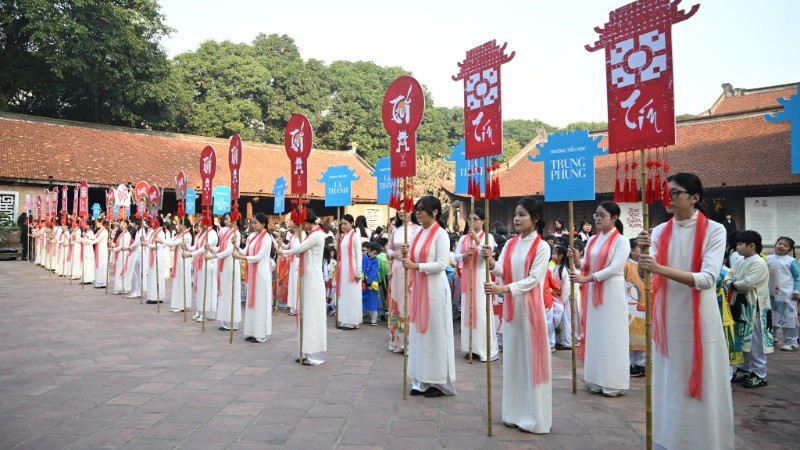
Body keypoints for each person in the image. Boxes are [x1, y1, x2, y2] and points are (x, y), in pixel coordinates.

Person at [637, 172, 734, 449]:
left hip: (699, 318)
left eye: (675, 192)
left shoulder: (714, 230)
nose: (669, 198)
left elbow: (707, 279)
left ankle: (703, 441)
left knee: (701, 380)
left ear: (695, 197)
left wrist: (659, 268)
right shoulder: (659, 231)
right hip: (667, 319)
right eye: (666, 193)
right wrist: (643, 258)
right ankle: (670, 439)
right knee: (670, 379)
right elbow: (646, 276)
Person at [483, 196, 551, 433]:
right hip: (513, 309)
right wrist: (491, 261)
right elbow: (502, 269)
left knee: (530, 360)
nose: (516, 219)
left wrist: (503, 289)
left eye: (522, 214)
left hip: (530, 311)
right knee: (513, 361)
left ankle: (534, 417)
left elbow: (533, 280)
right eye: (515, 214)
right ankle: (513, 413)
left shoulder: (542, 247)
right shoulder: (511, 243)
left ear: (536, 218)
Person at [569, 201, 629, 397]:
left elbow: (614, 268)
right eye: (596, 215)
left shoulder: (621, 241)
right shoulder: (593, 240)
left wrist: (586, 278)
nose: (597, 218)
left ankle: (613, 381)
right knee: (595, 334)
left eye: (602, 215)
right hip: (594, 290)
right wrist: (577, 260)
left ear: (614, 218)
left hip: (611, 291)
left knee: (611, 335)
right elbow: (587, 264)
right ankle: (596, 379)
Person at [402, 196, 456, 398]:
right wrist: (407, 255)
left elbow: (442, 264)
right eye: (416, 209)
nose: (417, 213)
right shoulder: (418, 233)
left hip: (435, 290)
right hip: (419, 290)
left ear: (434, 212)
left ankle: (438, 382)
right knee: (419, 335)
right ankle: (420, 379)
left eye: (422, 209)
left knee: (435, 334)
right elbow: (413, 259)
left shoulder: (441, 234)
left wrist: (415, 266)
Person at [725, 230, 772, 388]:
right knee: (742, 340)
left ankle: (759, 373)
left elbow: (747, 284)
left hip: (755, 310)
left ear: (752, 245)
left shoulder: (758, 263)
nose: (737, 247)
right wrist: (731, 282)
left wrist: (732, 284)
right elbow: (729, 274)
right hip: (742, 308)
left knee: (756, 343)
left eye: (740, 244)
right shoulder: (740, 260)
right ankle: (744, 368)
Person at [280, 209, 326, 365]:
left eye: (300, 224)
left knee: (312, 315)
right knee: (306, 314)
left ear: (306, 222)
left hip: (313, 279)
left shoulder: (317, 235)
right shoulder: (310, 235)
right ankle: (306, 351)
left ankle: (313, 354)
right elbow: (298, 251)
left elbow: (298, 249)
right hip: (307, 277)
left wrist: (295, 234)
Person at [454, 207, 499, 362]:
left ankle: (485, 348)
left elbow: (487, 253)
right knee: (468, 312)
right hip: (467, 277)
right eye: (469, 219)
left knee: (481, 311)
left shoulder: (488, 237)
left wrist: (477, 239)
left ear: (483, 221)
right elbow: (455, 257)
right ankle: (470, 347)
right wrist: (465, 255)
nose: (472, 222)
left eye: (475, 219)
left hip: (481, 277)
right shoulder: (463, 239)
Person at [234, 212, 273, 343]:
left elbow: (259, 257)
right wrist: (236, 246)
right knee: (252, 303)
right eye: (253, 222)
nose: (253, 225)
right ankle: (252, 331)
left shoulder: (267, 238)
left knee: (260, 303)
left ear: (263, 224)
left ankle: (261, 334)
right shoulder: (253, 237)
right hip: (252, 273)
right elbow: (246, 251)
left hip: (261, 274)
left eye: (255, 223)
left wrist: (241, 257)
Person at [386, 210, 420, 353]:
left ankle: (409, 342)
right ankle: (396, 340)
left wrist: (409, 252)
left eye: (404, 208)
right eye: (399, 209)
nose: (401, 211)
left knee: (408, 303)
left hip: (409, 269)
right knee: (397, 302)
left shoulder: (417, 229)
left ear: (411, 211)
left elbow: (420, 251)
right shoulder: (396, 229)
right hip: (396, 268)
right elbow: (388, 248)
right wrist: (394, 254)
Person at [767, 236, 800, 351]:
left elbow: (798, 277)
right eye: (780, 243)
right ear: (775, 244)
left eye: (786, 246)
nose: (782, 246)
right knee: (771, 317)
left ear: (789, 250)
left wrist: (797, 291)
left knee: (789, 318)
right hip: (770, 293)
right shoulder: (768, 259)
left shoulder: (791, 261)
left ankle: (792, 342)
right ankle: (771, 337)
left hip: (787, 295)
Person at [184, 220, 219, 322]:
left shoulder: (212, 234)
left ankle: (208, 313)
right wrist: (188, 248)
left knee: (207, 288)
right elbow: (196, 247)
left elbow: (204, 248)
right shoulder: (201, 234)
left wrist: (191, 254)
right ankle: (200, 310)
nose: (200, 226)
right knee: (200, 288)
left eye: (202, 224)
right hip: (200, 264)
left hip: (208, 263)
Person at [213, 213, 242, 331]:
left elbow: (230, 250)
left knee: (231, 292)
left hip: (231, 264)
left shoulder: (236, 234)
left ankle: (233, 322)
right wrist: (212, 249)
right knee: (224, 292)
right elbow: (221, 248)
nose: (225, 221)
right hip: (224, 264)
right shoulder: (225, 233)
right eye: (224, 219)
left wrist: (215, 256)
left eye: (227, 219)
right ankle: (225, 321)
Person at [159, 217, 193, 312]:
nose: (178, 226)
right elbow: (171, 240)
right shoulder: (180, 234)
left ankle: (183, 305)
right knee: (178, 281)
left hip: (183, 260)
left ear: (184, 225)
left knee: (182, 282)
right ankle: (178, 303)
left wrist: (161, 241)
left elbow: (174, 243)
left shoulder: (187, 236)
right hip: (178, 260)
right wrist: (162, 240)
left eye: (180, 224)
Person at [623, 238, 646, 377]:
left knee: (642, 335)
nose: (642, 250)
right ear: (632, 250)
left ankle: (640, 362)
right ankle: (630, 363)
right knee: (631, 336)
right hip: (630, 307)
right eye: (639, 247)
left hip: (644, 304)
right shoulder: (626, 265)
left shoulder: (647, 264)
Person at [337, 214, 363, 329]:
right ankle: (344, 320)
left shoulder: (355, 236)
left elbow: (359, 255)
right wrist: (337, 241)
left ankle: (352, 321)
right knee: (344, 295)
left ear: (352, 224)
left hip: (352, 270)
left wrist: (358, 271)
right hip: (343, 270)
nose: (343, 226)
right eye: (341, 224)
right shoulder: (343, 236)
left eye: (345, 223)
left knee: (352, 296)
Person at [550, 245, 573, 350]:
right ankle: (559, 340)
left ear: (560, 256)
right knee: (558, 320)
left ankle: (567, 342)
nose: (552, 256)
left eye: (554, 254)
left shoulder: (564, 269)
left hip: (563, 299)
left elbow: (567, 285)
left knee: (565, 320)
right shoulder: (556, 267)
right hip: (556, 298)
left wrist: (563, 299)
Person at [145, 217, 166, 305]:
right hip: (152, 256)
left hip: (157, 256)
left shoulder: (161, 233)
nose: (152, 223)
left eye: (154, 222)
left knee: (156, 276)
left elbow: (157, 246)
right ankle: (152, 296)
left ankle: (157, 297)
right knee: (152, 275)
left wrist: (147, 244)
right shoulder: (154, 232)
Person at [127, 219, 148, 299]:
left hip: (138, 252)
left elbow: (137, 242)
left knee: (135, 273)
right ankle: (138, 291)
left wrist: (129, 247)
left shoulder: (141, 230)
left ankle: (135, 292)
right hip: (139, 251)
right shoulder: (141, 230)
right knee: (138, 273)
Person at [362, 242, 380, 326]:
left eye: (376, 254)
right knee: (362, 300)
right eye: (374, 253)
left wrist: (368, 283)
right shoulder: (363, 257)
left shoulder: (376, 261)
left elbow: (373, 273)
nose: (375, 255)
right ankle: (362, 315)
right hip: (362, 283)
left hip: (372, 284)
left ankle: (374, 319)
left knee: (372, 301)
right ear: (369, 250)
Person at [112, 219, 132, 294]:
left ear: (127, 225)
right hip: (119, 253)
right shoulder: (122, 234)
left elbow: (123, 246)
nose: (122, 225)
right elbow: (118, 244)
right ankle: (118, 287)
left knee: (121, 270)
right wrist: (113, 244)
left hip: (124, 253)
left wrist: (114, 249)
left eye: (123, 224)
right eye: (121, 224)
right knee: (118, 270)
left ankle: (122, 287)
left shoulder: (127, 234)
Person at [89, 219, 110, 288]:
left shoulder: (105, 231)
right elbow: (94, 237)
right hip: (99, 250)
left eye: (97, 223)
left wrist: (89, 243)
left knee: (102, 265)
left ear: (101, 223)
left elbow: (98, 239)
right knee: (99, 265)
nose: (96, 224)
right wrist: (87, 236)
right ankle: (98, 281)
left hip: (102, 250)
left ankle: (103, 282)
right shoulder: (99, 231)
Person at [79, 220, 95, 285]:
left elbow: (92, 239)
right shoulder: (86, 232)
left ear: (90, 226)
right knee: (85, 264)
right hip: (85, 248)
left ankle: (88, 279)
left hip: (88, 249)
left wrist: (86, 236)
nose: (86, 225)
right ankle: (84, 278)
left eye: (87, 224)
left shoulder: (91, 232)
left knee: (88, 264)